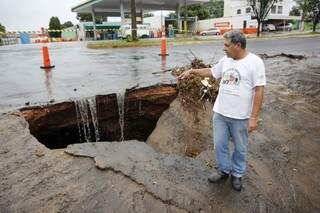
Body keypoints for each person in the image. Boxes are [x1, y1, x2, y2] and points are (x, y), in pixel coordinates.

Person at [178, 31, 266, 191]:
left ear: (238, 45)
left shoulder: (255, 62)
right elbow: (211, 72)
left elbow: (259, 90)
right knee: (219, 145)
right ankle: (224, 170)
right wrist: (192, 71)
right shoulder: (226, 60)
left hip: (240, 117)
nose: (223, 48)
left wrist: (253, 118)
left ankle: (237, 174)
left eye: (226, 45)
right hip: (220, 113)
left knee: (240, 148)